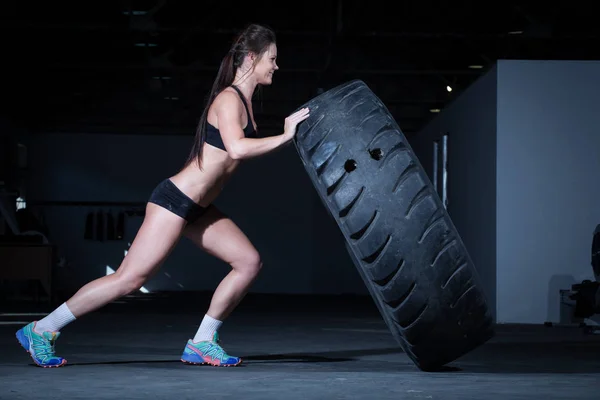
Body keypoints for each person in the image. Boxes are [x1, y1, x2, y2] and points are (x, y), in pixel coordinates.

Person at [15, 23, 310, 368]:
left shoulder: (244, 101)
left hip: (197, 208)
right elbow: (237, 148)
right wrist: (286, 135)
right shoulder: (229, 99)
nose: (276, 66)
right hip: (175, 200)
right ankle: (42, 329)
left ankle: (202, 341)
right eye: (272, 59)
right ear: (251, 58)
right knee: (129, 279)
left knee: (247, 262)